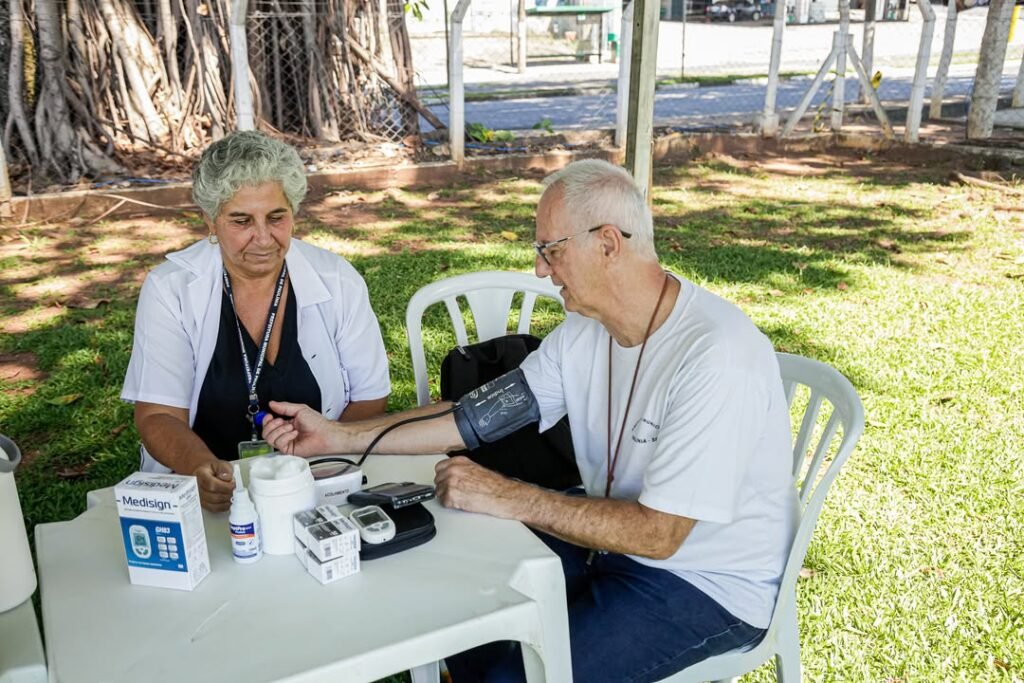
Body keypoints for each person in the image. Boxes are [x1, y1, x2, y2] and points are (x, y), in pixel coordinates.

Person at [261, 159, 798, 682]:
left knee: (512, 675)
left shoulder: (716, 355)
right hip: (612, 548)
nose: (541, 269)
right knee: (459, 612)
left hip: (705, 582)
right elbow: (471, 419)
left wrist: (510, 496)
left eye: (551, 250)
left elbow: (660, 535)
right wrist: (337, 436)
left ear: (608, 244)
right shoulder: (584, 332)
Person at [121, 131, 391, 512]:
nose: (263, 238)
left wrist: (325, 455)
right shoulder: (171, 289)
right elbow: (158, 415)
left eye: (276, 217)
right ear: (210, 221)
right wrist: (200, 469)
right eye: (242, 220)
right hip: (211, 496)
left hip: (314, 483)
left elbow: (370, 395)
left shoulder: (337, 280)